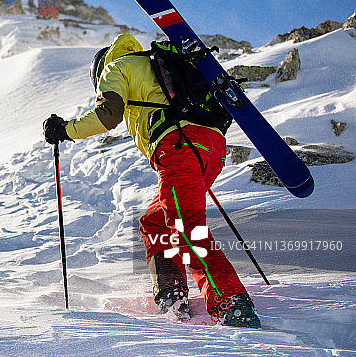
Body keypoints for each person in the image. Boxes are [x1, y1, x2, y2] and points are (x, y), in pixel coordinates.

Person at [43, 33, 261, 328]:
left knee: (187, 229)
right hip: (212, 149)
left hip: (179, 148)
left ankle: (231, 302)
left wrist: (65, 130)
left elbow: (108, 115)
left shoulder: (117, 68)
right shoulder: (157, 63)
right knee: (155, 221)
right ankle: (172, 293)